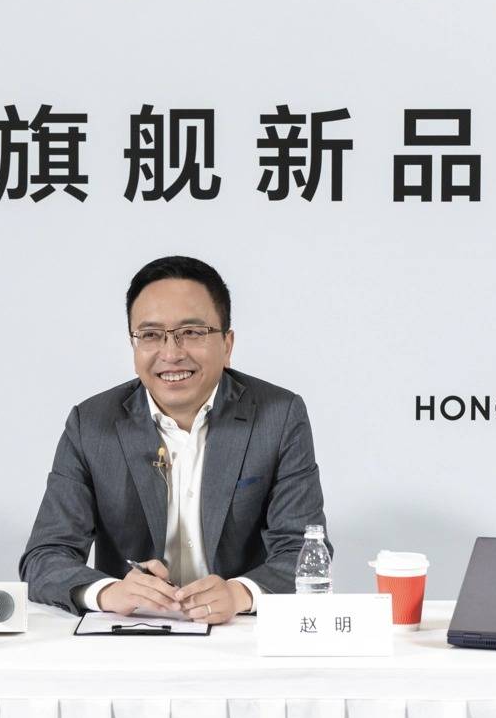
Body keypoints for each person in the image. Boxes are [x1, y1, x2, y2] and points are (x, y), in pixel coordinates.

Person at [19, 256, 330, 624]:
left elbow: (304, 550)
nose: (171, 353)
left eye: (192, 332)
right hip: (133, 631)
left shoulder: (278, 416)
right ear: (133, 345)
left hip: (239, 630)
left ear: (227, 345)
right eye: (151, 335)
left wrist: (239, 593)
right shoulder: (91, 424)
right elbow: (44, 558)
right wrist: (109, 592)